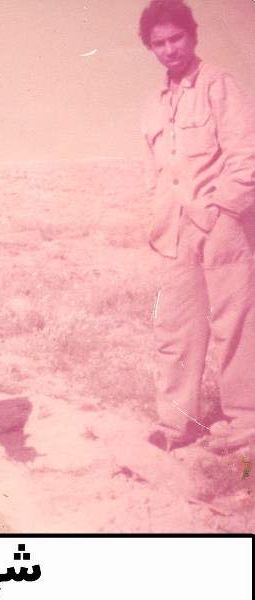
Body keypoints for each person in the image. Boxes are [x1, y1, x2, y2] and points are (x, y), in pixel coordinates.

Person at [139, 0, 255, 453]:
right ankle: (177, 425)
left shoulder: (219, 85)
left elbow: (247, 156)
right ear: (150, 48)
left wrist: (224, 212)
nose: (170, 49)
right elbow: (154, 171)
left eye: (176, 38)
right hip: (175, 232)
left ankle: (246, 423)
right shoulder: (153, 105)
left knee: (235, 325)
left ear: (192, 36)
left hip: (222, 225)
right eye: (159, 43)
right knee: (175, 329)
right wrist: (157, 218)